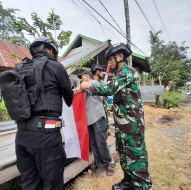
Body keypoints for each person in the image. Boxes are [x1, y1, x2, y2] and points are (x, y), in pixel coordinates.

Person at [81, 44, 152, 190]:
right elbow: (110, 86)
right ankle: (128, 180)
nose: (109, 63)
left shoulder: (128, 72)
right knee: (124, 152)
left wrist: (88, 85)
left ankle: (142, 185)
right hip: (123, 123)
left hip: (132, 124)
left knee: (135, 153)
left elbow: (109, 89)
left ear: (119, 57)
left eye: (110, 59)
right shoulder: (118, 74)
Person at [15, 36, 73, 190]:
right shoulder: (56, 66)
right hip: (45, 136)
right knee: (52, 183)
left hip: (21, 136)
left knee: (29, 182)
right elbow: (69, 98)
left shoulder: (20, 68)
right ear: (49, 50)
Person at [75, 66, 115, 177]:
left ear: (87, 76)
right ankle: (100, 165)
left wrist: (80, 87)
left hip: (97, 117)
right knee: (93, 144)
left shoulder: (93, 83)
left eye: (82, 77)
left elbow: (83, 86)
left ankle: (109, 163)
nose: (81, 80)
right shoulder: (82, 88)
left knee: (100, 142)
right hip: (89, 120)